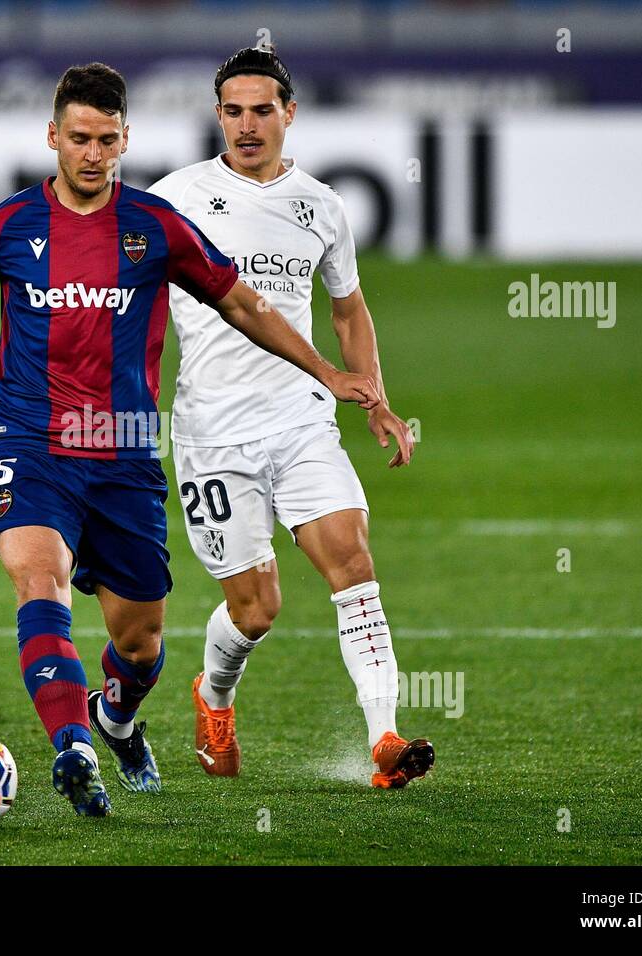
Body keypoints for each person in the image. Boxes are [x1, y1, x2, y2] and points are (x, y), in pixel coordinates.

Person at [0, 63, 381, 816]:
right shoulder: (4, 228)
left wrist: (326, 371)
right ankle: (73, 747)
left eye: (107, 140)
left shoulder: (154, 227)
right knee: (40, 584)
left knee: (139, 646)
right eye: (79, 139)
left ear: (126, 139)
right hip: (29, 444)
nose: (93, 154)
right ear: (53, 137)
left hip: (125, 450)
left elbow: (243, 303)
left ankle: (115, 718)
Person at [149, 46, 434, 789]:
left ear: (289, 114)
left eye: (262, 111)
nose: (248, 126)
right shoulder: (174, 198)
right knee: (255, 610)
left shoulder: (321, 206)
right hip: (211, 433)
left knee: (352, 561)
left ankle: (386, 739)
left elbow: (348, 310)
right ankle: (213, 697)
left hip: (302, 420)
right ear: (218, 117)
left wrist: (375, 398)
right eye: (234, 112)